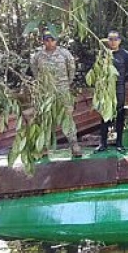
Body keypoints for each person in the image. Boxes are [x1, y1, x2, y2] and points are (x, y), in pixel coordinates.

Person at [30, 29, 82, 157]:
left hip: (62, 91)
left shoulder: (65, 54)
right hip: (45, 92)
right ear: (43, 41)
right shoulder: (37, 56)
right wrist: (43, 85)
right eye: (46, 40)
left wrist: (65, 84)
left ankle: (74, 145)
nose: (49, 42)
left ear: (56, 40)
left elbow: (72, 69)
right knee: (46, 119)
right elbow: (35, 72)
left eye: (52, 39)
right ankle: (44, 147)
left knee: (67, 118)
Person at [95, 30, 128, 153]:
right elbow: (97, 71)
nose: (113, 42)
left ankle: (119, 143)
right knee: (104, 115)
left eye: (115, 39)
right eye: (110, 39)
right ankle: (103, 143)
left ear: (120, 41)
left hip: (119, 88)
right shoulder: (103, 54)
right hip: (106, 88)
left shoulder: (126, 55)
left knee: (119, 114)